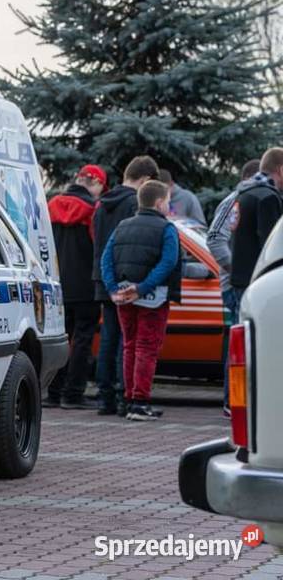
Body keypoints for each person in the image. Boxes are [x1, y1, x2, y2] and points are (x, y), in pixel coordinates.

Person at [101, 180, 181, 421]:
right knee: (147, 347)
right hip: (153, 298)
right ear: (159, 203)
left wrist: (113, 289)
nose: (169, 206)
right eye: (168, 202)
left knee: (129, 345)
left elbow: (106, 259)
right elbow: (169, 262)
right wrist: (144, 287)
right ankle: (140, 402)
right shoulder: (166, 228)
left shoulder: (122, 226)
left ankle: (129, 399)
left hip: (124, 296)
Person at [91, 155, 159, 416]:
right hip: (127, 278)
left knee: (109, 337)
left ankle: (104, 397)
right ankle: (124, 395)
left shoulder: (102, 203)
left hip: (103, 276)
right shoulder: (133, 204)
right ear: (146, 180)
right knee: (127, 339)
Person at [43, 164, 105, 410]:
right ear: (96, 183)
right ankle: (73, 393)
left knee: (60, 338)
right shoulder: (93, 211)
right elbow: (98, 246)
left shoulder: (51, 206)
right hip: (86, 286)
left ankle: (53, 392)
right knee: (82, 340)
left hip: (58, 285)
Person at [207, 158, 260, 415]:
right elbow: (215, 238)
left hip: (245, 282)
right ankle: (233, 401)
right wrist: (238, 271)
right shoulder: (236, 200)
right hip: (236, 285)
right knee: (241, 344)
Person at [231, 147, 283, 295]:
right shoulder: (268, 198)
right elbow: (272, 247)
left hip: (240, 279)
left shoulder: (244, 193)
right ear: (281, 170)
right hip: (259, 283)